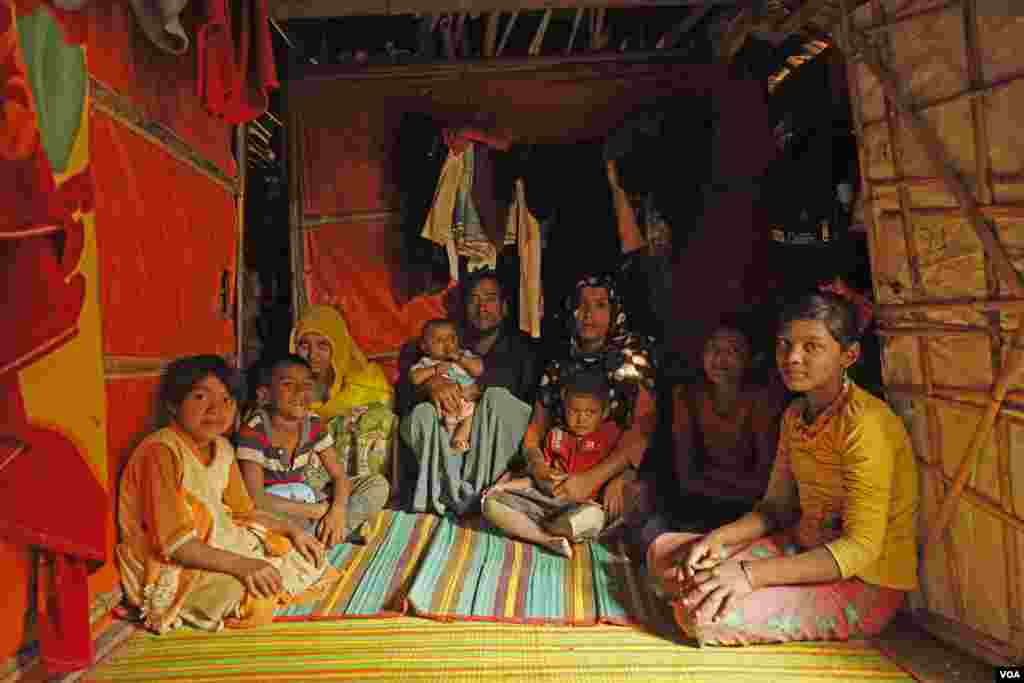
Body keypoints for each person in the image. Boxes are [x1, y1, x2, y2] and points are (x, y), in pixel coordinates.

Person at [648, 292, 919, 646]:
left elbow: (860, 549)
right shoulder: (795, 416)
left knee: (699, 615)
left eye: (812, 347)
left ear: (849, 355)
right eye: (785, 345)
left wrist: (749, 575)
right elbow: (776, 508)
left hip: (863, 581)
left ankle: (728, 594)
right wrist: (718, 539)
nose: (792, 358)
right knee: (664, 553)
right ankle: (723, 583)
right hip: (801, 549)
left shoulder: (866, 425)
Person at [116, 355, 329, 635]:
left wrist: (293, 532)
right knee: (253, 596)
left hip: (219, 542)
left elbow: (245, 513)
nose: (217, 409)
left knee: (308, 557)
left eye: (228, 399)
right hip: (173, 562)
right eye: (201, 397)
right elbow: (175, 545)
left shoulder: (223, 448)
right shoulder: (161, 452)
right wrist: (243, 566)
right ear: (173, 404)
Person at [636, 315, 785, 552]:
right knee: (651, 535)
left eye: (733, 351)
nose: (720, 359)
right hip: (695, 505)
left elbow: (764, 484)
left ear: (751, 358)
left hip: (746, 513)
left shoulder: (762, 401)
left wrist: (708, 481)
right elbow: (685, 476)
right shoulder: (684, 395)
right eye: (713, 348)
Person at [398, 269, 540, 516]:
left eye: (490, 298)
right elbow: (404, 394)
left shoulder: (523, 348)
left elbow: (522, 404)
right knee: (421, 412)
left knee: (497, 400)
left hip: (493, 449)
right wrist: (430, 384)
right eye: (474, 299)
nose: (481, 306)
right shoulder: (440, 339)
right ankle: (448, 494)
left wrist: (476, 391)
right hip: (450, 441)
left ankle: (478, 494)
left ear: (505, 307)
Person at [528, 274, 658, 529]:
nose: (588, 314)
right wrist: (538, 467)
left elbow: (644, 432)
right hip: (563, 469)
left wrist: (607, 478)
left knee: (632, 504)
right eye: (581, 305)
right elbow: (535, 431)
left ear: (615, 312)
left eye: (600, 305)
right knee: (500, 502)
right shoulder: (559, 364)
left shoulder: (633, 359)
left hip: (614, 472)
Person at [235, 355, 389, 547]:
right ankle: (332, 534)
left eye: (307, 385)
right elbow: (255, 498)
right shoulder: (254, 430)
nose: (300, 392)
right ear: (264, 395)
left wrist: (337, 510)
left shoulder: (313, 424)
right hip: (274, 508)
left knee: (376, 484)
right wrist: (316, 511)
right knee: (256, 521)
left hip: (305, 496)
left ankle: (331, 530)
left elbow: (339, 476)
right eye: (288, 385)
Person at [482, 371, 620, 558]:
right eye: (575, 411)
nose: (582, 419)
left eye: (590, 412)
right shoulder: (555, 435)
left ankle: (539, 529)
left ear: (604, 413)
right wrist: (502, 487)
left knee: (591, 519)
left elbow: (621, 471)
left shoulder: (610, 435)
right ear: (564, 408)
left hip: (580, 507)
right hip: (544, 503)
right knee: (490, 504)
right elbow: (536, 480)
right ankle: (546, 539)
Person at [291, 304, 397, 485]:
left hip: (357, 476)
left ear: (338, 346)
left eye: (323, 345)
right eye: (304, 345)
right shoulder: (285, 387)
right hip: (308, 478)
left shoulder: (366, 383)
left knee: (378, 416)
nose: (312, 354)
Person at [409, 319, 484, 453]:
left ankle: (459, 439)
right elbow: (415, 378)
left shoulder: (463, 356)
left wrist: (461, 359)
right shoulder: (427, 362)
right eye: (439, 340)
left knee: (475, 414)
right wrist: (435, 370)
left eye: (452, 338)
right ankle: (446, 446)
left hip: (467, 404)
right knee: (432, 419)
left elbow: (478, 369)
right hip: (443, 411)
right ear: (424, 347)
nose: (447, 343)